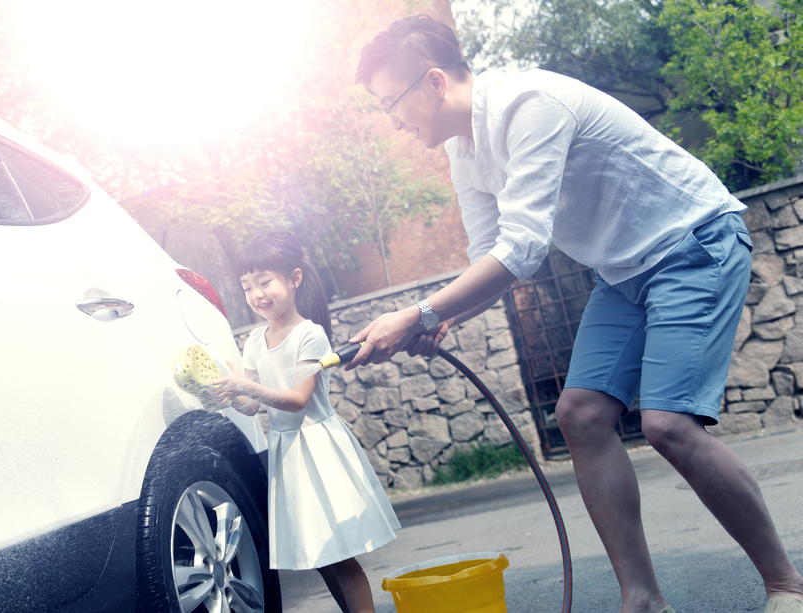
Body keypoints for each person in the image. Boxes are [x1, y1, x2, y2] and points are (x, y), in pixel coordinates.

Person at [348, 13, 803, 613]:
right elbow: (490, 255)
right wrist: (440, 318)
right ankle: (641, 600)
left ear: (434, 82)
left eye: (392, 103)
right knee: (580, 414)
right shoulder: (465, 151)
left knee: (668, 425)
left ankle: (786, 585)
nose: (393, 122)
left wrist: (418, 313)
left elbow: (524, 249)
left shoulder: (528, 105)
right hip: (622, 273)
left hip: (694, 243)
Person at [212, 230, 400, 613]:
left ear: (293, 279)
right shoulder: (253, 340)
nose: (256, 294)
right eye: (247, 286)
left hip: (317, 448)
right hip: (287, 451)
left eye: (265, 282)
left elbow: (297, 400)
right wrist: (233, 392)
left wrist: (246, 385)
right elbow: (253, 405)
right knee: (321, 557)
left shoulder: (309, 335)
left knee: (339, 552)